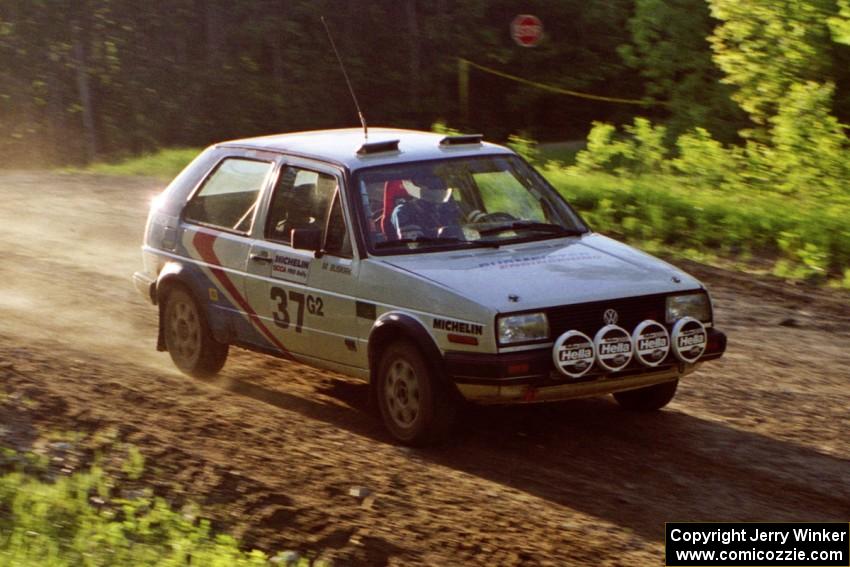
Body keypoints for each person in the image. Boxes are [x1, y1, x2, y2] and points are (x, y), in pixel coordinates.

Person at [390, 174, 464, 240]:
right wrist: (442, 232)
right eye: (427, 180)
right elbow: (415, 244)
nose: (436, 183)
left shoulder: (448, 207)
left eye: (438, 180)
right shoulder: (403, 212)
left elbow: (467, 228)